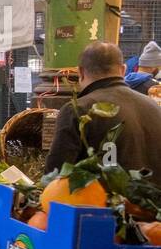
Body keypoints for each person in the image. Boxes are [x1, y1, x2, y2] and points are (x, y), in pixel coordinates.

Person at [45, 43, 161, 186]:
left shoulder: (77, 109)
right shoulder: (155, 108)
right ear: (123, 70)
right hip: (152, 205)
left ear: (80, 72)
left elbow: (55, 176)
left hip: (98, 206)